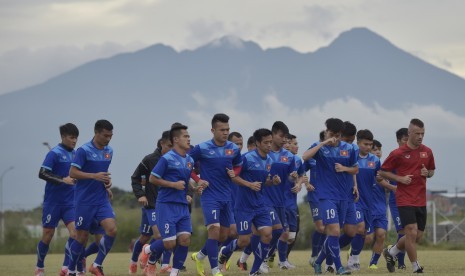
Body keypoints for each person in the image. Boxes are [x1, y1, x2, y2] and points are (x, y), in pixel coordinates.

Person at [302, 118, 358, 275]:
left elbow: (355, 170)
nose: (335, 138)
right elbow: (305, 157)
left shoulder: (350, 148)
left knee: (344, 232)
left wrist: (345, 168)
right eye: (332, 134)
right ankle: (339, 267)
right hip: (326, 196)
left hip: (345, 197)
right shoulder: (319, 148)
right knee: (333, 231)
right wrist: (322, 143)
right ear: (326, 132)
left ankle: (318, 261)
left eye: (338, 135)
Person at [219, 128, 279, 276]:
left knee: (267, 234)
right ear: (257, 143)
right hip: (244, 206)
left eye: (271, 142)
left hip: (260, 205)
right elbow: (234, 177)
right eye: (266, 142)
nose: (269, 145)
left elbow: (264, 182)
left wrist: (273, 181)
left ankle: (254, 271)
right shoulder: (246, 158)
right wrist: (249, 184)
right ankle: (225, 251)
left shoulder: (270, 160)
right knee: (243, 241)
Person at [190, 113, 242, 276]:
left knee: (224, 235)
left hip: (227, 197)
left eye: (227, 129)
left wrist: (234, 173)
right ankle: (214, 271)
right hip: (209, 196)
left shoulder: (233, 149)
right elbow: (187, 165)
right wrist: (198, 180)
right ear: (213, 130)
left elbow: (238, 165)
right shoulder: (202, 148)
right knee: (214, 229)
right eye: (222, 130)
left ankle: (199, 256)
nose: (225, 132)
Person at [381, 119, 435, 273]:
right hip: (404, 198)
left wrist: (428, 173)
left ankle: (391, 252)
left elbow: (431, 171)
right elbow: (383, 171)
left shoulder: (428, 151)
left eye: (423, 133)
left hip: (420, 199)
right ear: (409, 133)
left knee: (417, 236)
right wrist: (399, 179)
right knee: (410, 231)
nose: (420, 136)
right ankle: (416, 266)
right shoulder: (397, 153)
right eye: (417, 133)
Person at [142, 123, 195, 276]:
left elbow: (184, 181)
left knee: (185, 239)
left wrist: (193, 188)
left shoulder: (190, 160)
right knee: (169, 243)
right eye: (185, 136)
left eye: (189, 136)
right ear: (176, 139)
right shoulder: (167, 158)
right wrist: (173, 185)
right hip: (166, 205)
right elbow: (152, 178)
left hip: (182, 206)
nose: (188, 138)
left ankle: (174, 273)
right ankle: (147, 250)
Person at [67, 119, 115, 276]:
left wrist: (107, 184)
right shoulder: (83, 150)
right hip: (84, 201)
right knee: (81, 238)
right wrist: (94, 176)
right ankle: (71, 269)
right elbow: (73, 173)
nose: (108, 139)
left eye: (111, 136)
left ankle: (96, 265)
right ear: (96, 133)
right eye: (105, 135)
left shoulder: (110, 151)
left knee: (112, 230)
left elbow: (103, 174)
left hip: (101, 199)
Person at [35, 123, 79, 276]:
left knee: (76, 234)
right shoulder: (54, 153)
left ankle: (65, 268)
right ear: (63, 137)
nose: (74, 141)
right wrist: (62, 179)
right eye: (71, 137)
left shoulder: (76, 155)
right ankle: (39, 267)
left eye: (76, 138)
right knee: (47, 235)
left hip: (70, 203)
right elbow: (42, 173)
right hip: (52, 203)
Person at [129, 131, 173, 274]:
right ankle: (134, 261)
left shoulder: (175, 159)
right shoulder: (149, 159)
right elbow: (135, 178)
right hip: (151, 204)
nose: (172, 149)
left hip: (167, 204)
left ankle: (153, 264)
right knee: (155, 236)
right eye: (170, 146)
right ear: (162, 144)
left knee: (162, 235)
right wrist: (140, 195)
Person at [261, 121, 299, 271]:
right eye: (281, 136)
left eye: (286, 137)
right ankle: (262, 261)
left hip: (281, 201)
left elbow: (290, 179)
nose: (284, 140)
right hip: (265, 199)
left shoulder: (289, 156)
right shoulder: (264, 154)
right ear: (273, 135)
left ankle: (281, 261)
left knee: (283, 234)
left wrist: (293, 177)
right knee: (275, 231)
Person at [366, 139, 396, 270]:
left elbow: (387, 186)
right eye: (375, 149)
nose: (378, 152)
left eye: (379, 149)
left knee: (381, 235)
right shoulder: (364, 166)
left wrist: (390, 184)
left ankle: (373, 262)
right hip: (366, 207)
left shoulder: (384, 169)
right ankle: (353, 252)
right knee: (367, 238)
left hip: (380, 207)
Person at [386, 127, 409, 269]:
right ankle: (401, 263)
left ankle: (391, 252)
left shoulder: (414, 156)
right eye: (405, 140)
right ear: (398, 140)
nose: (408, 143)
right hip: (396, 200)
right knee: (402, 231)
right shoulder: (394, 156)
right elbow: (383, 173)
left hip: (411, 200)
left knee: (411, 232)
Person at [283, 134, 305, 263]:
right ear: (287, 144)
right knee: (278, 233)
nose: (297, 146)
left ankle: (283, 259)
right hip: (277, 202)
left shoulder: (297, 160)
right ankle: (269, 258)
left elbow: (301, 175)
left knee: (292, 234)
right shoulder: (276, 158)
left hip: (291, 201)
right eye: (294, 144)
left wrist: (298, 183)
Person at [306, 131, 324, 268]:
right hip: (315, 196)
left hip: (330, 196)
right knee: (321, 227)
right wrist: (306, 184)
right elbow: (301, 171)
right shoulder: (312, 157)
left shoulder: (333, 156)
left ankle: (322, 254)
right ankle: (314, 255)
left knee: (328, 226)